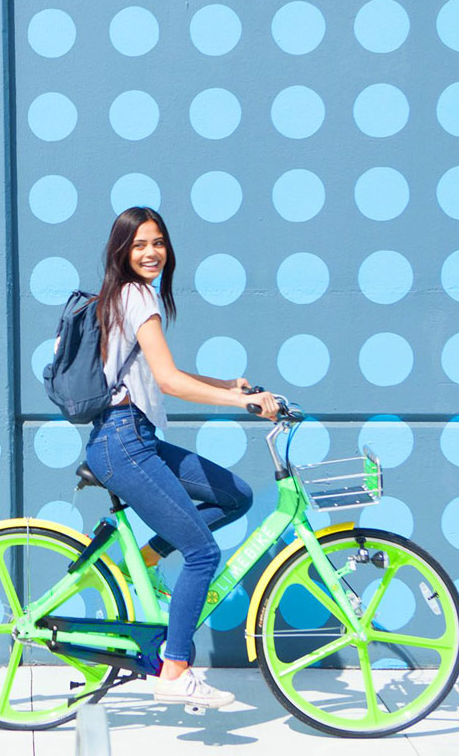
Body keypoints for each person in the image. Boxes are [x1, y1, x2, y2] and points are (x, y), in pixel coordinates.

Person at [84, 206, 279, 709]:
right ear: (122, 252)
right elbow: (169, 381)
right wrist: (243, 403)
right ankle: (174, 669)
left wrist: (227, 384)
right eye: (140, 245)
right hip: (123, 442)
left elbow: (159, 373)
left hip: (134, 437)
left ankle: (147, 558)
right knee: (203, 554)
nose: (151, 253)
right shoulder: (136, 295)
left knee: (234, 495)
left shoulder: (125, 297)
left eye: (159, 243)